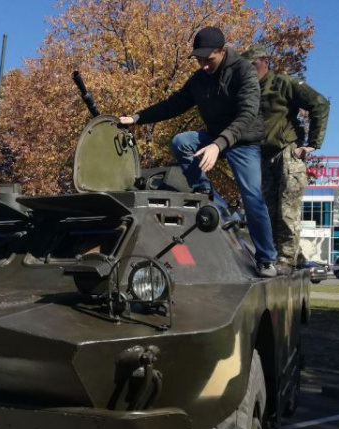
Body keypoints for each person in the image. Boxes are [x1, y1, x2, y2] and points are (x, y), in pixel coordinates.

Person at [119, 26, 277, 278]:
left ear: (222, 51)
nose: (204, 65)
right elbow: (174, 104)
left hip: (243, 140)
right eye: (200, 60)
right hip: (214, 136)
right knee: (182, 141)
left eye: (209, 60)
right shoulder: (199, 79)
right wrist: (138, 117)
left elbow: (247, 114)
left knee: (253, 197)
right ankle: (206, 193)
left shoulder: (243, 72)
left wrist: (218, 144)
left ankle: (267, 258)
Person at [242, 45, 330, 273]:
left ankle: (286, 260)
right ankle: (288, 255)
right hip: (264, 156)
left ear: (264, 62)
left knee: (286, 210)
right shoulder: (248, 91)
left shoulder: (284, 83)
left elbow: (319, 103)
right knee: (267, 212)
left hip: (287, 153)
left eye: (253, 65)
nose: (250, 71)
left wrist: (312, 144)